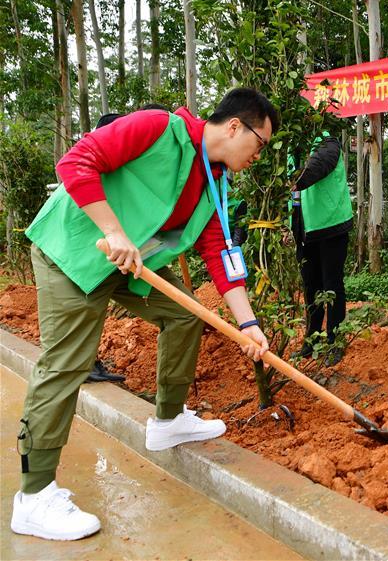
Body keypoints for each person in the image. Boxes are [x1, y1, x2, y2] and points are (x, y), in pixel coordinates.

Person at [11, 88, 278, 541]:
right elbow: (76, 163)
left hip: (131, 269)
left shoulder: (214, 182)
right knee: (68, 362)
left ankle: (168, 422)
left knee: (184, 315)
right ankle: (33, 497)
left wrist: (249, 325)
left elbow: (219, 252)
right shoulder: (157, 128)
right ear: (235, 126)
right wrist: (113, 231)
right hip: (74, 252)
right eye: (261, 143)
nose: (260, 155)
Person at [85, 104, 172, 384]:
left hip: (115, 239)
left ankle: (88, 362)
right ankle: (86, 363)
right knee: (89, 301)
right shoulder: (118, 129)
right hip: (99, 236)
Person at [291, 131, 353, 367]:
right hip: (306, 229)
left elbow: (319, 165)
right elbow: (295, 197)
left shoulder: (327, 141)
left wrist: (294, 180)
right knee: (311, 286)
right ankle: (312, 339)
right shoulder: (289, 145)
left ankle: (335, 340)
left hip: (331, 225)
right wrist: (292, 225)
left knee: (332, 286)